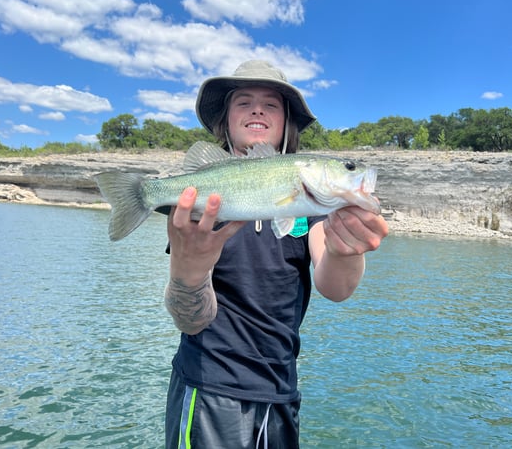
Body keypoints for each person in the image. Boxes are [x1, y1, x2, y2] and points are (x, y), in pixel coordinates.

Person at [164, 60, 388, 448]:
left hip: (282, 391)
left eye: (271, 104)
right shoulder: (199, 208)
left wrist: (345, 250)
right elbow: (188, 320)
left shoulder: (312, 207)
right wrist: (189, 271)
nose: (256, 110)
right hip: (209, 386)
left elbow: (335, 288)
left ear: (287, 122)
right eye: (243, 102)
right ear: (225, 119)